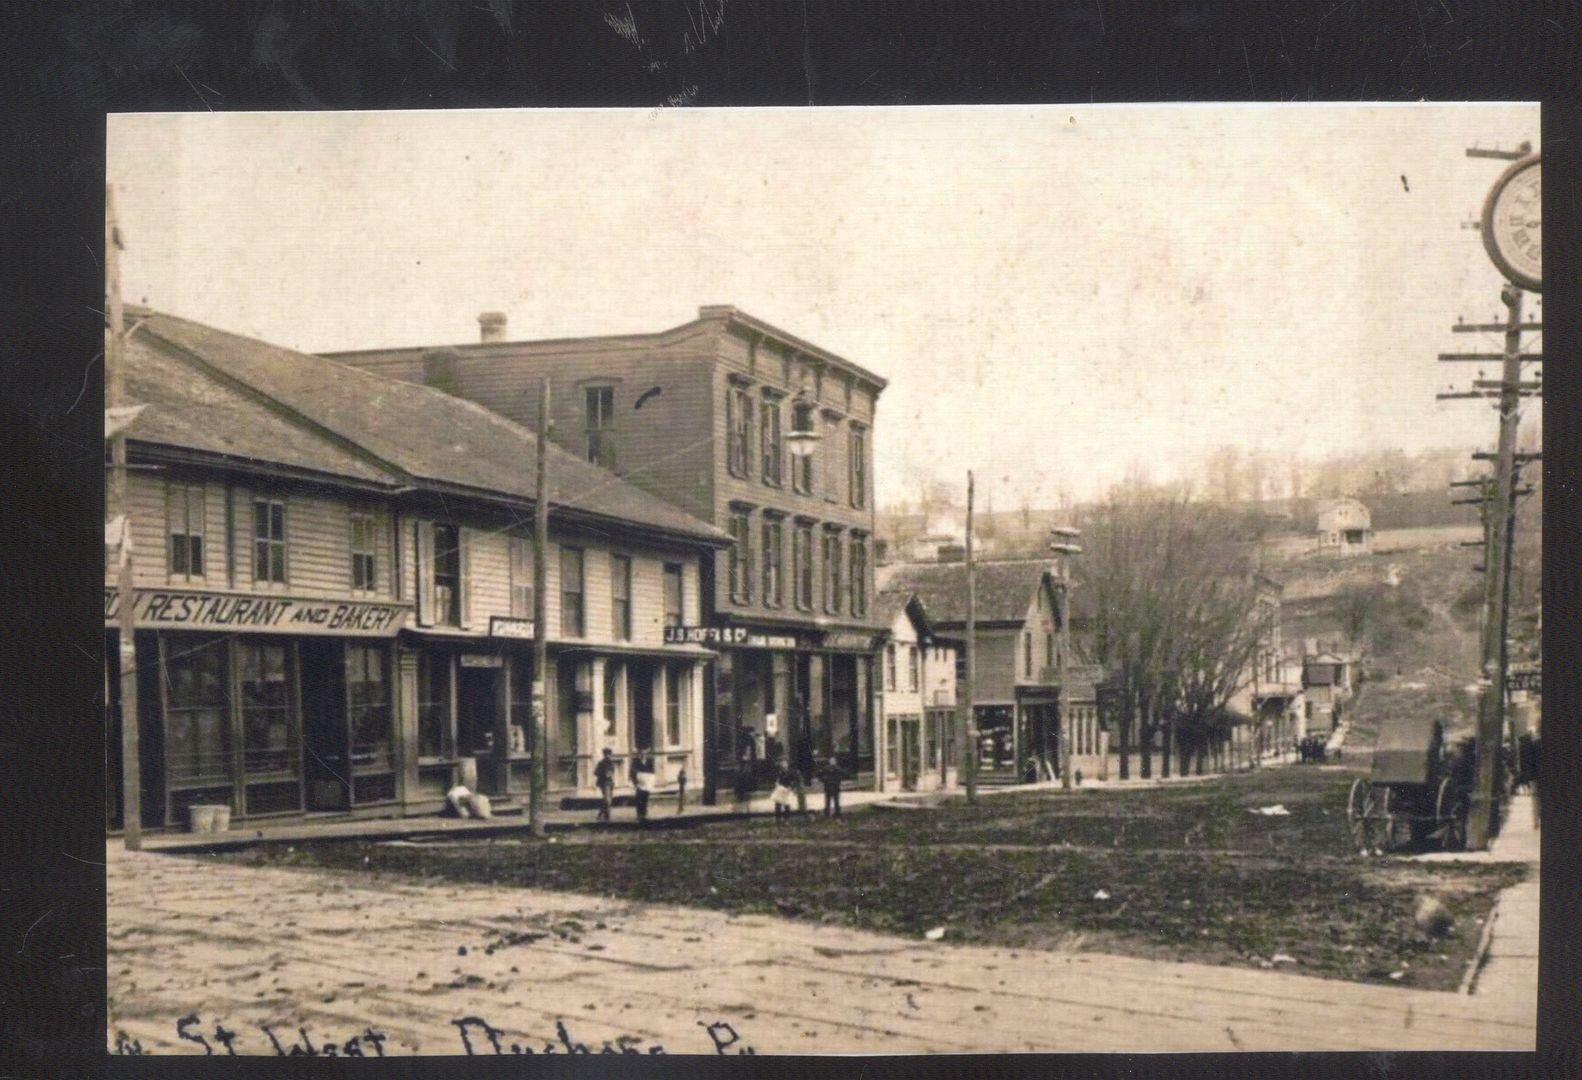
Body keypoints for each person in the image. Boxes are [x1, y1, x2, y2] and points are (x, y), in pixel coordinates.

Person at [630, 747, 656, 825]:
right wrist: (635, 783)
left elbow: (652, 772)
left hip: (647, 783)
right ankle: (639, 814)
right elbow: (632, 772)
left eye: (644, 753)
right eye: (641, 753)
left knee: (645, 798)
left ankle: (644, 814)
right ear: (639, 754)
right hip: (639, 783)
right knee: (639, 799)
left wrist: (651, 782)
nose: (643, 755)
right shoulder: (635, 761)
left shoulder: (649, 761)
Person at [593, 748, 617, 823]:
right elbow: (595, 772)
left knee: (607, 799)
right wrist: (603, 773)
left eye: (609, 754)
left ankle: (602, 815)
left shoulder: (611, 763)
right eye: (606, 754)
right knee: (607, 800)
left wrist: (610, 774)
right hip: (603, 783)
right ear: (604, 755)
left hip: (610, 783)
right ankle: (607, 816)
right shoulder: (601, 763)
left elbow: (612, 772)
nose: (608, 756)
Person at [770, 757, 797, 823]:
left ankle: (787, 819)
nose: (783, 765)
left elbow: (793, 781)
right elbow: (776, 780)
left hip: (787, 789)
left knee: (787, 804)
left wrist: (791, 787)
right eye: (782, 764)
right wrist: (776, 784)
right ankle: (778, 818)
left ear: (787, 764)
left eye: (785, 763)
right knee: (778, 804)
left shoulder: (791, 772)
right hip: (780, 789)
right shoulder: (779, 772)